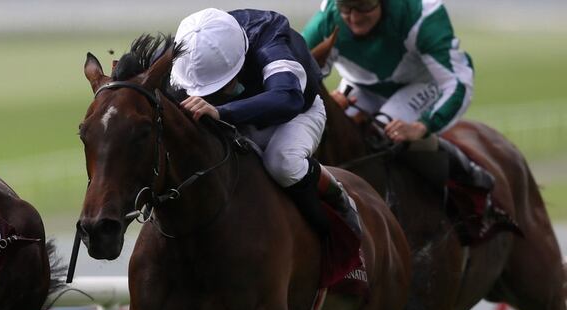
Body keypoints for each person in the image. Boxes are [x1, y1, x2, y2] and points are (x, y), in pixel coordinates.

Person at [171, 7, 361, 239]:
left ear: (240, 58)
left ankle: (338, 202)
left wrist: (222, 111)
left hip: (296, 114)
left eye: (223, 84)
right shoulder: (190, 46)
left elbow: (287, 98)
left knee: (282, 163)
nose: (217, 92)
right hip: (235, 118)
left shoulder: (269, 37)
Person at [303, 0, 494, 191]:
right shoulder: (327, 19)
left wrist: (423, 126)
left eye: (364, 7)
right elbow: (292, 70)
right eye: (345, 8)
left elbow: (458, 83)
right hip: (360, 87)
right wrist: (328, 104)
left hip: (420, 85)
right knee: (333, 131)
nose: (354, 18)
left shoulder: (421, 15)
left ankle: (467, 174)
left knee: (382, 129)